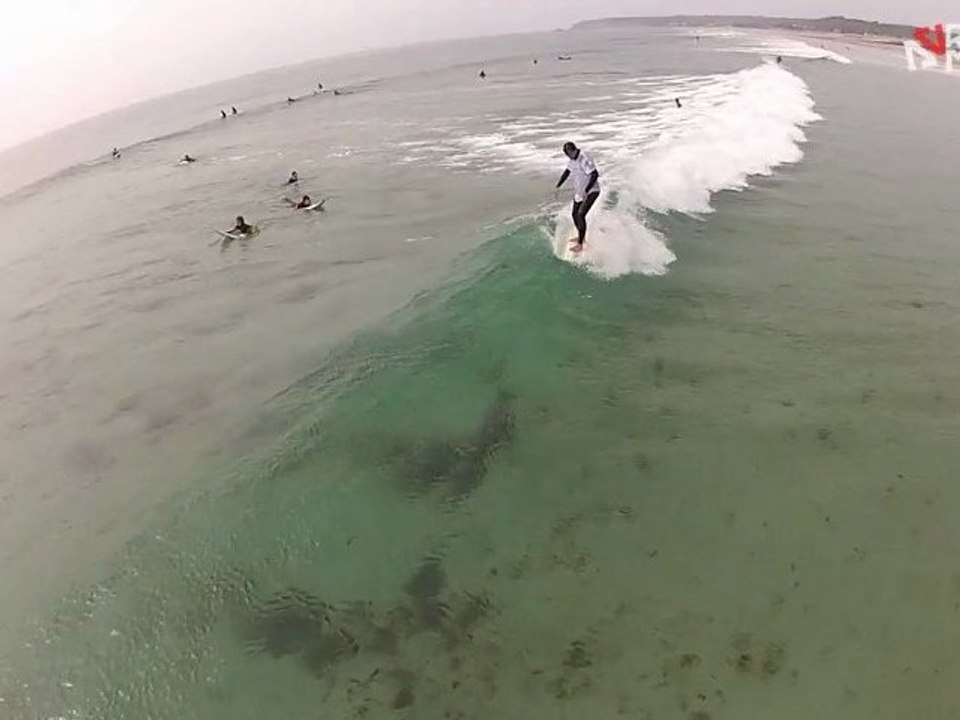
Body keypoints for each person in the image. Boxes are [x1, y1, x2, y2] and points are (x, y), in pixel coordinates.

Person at [555, 141, 600, 252]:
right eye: (567, 154)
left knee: (581, 214)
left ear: (574, 150)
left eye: (569, 153)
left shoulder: (583, 158)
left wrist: (587, 190)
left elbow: (595, 174)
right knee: (574, 214)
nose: (569, 156)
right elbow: (567, 172)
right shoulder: (572, 160)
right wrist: (558, 185)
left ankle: (580, 244)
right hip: (580, 193)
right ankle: (581, 237)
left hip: (591, 191)